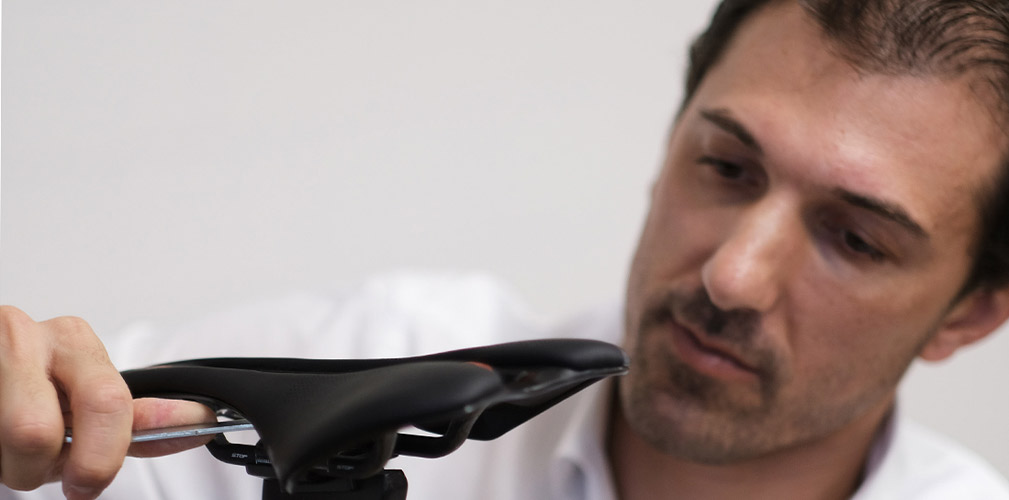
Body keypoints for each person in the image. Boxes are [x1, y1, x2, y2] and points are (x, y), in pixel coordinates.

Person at [3, 0, 1009, 498]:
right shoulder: (367, 359)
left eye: (854, 238)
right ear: (670, 143)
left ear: (968, 312)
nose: (731, 274)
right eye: (726, 167)